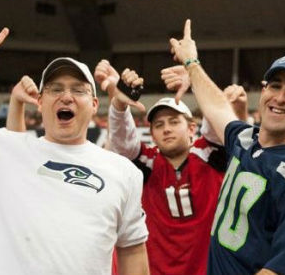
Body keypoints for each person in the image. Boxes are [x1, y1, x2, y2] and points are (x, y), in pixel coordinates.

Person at [0, 27, 149, 275]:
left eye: (78, 90)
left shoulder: (124, 173)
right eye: (55, 89)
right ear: (40, 102)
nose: (66, 96)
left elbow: (132, 252)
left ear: (94, 105)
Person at [167, 20, 285, 275]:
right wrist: (191, 63)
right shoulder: (244, 138)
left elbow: (282, 268)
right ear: (263, 92)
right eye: (275, 86)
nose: (281, 97)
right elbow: (217, 106)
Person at [93, 60, 246, 275]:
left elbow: (216, 119)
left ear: (192, 128)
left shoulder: (211, 154)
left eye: (174, 122)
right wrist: (119, 103)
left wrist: (194, 78)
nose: (166, 129)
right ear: (152, 134)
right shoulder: (146, 163)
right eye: (158, 125)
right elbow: (122, 139)